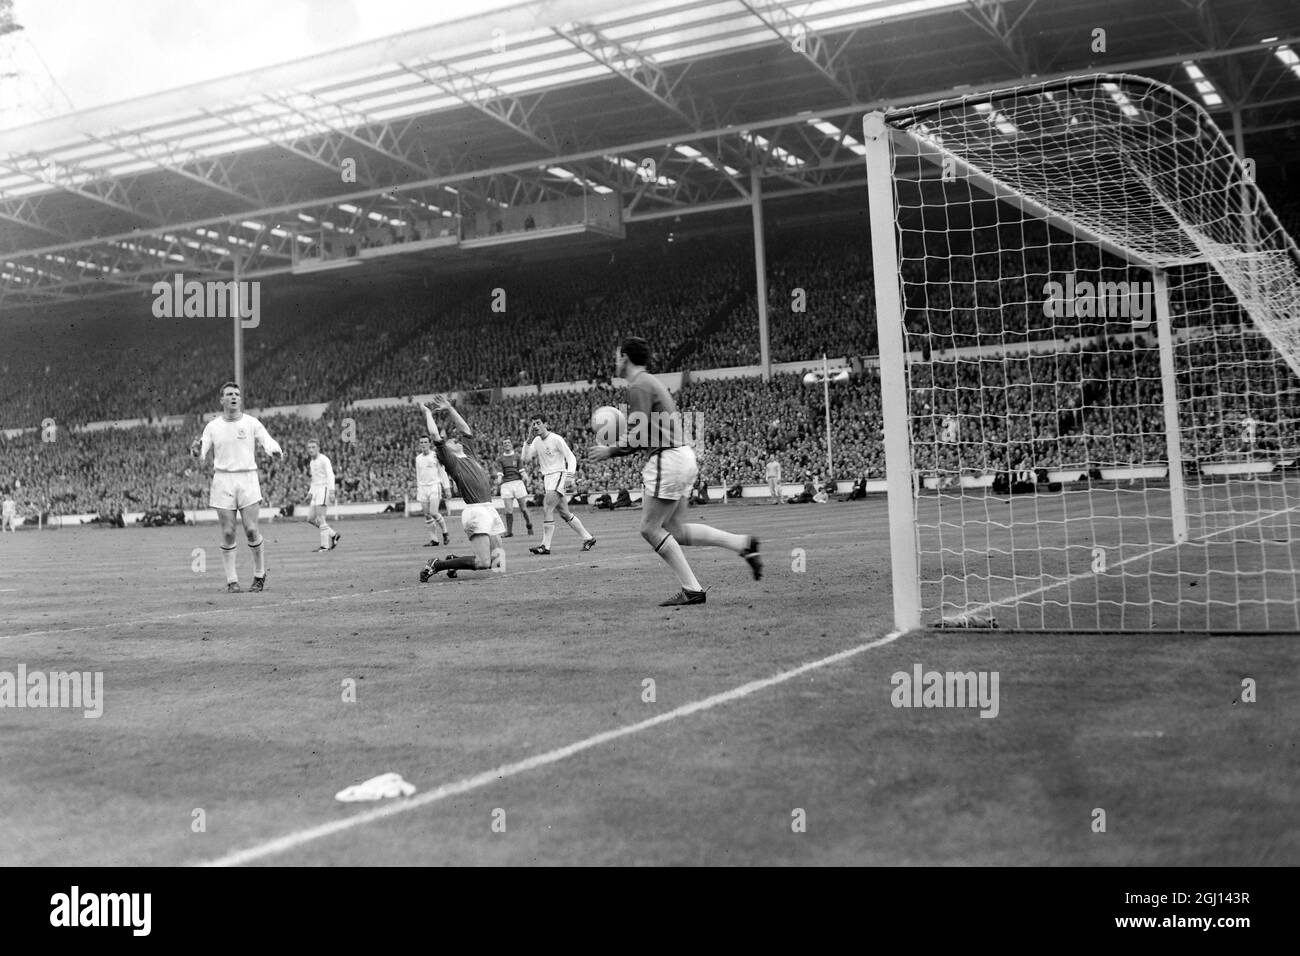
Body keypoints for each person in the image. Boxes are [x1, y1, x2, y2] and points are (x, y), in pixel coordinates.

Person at [589, 337, 761, 606]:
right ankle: (742, 544)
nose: (614, 361)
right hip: (683, 455)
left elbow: (638, 434)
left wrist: (609, 450)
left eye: (616, 356)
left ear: (624, 357)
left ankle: (692, 589)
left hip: (667, 459)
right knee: (675, 530)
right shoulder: (651, 382)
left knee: (649, 528)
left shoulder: (639, 385)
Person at [190, 381, 283, 592]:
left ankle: (259, 574)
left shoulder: (251, 423)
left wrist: (274, 451)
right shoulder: (212, 426)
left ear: (240, 399)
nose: (233, 397)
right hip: (223, 480)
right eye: (229, 394)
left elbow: (267, 440)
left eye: (236, 394)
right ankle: (232, 581)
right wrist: (196, 451)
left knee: (251, 530)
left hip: (248, 478)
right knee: (229, 532)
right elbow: (201, 452)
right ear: (222, 400)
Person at [417, 397, 506, 581]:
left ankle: (453, 561)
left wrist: (449, 408)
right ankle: (437, 564)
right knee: (483, 563)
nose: (454, 440)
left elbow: (465, 430)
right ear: (446, 450)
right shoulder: (452, 461)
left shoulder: (468, 453)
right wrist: (427, 413)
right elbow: (435, 437)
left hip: (489, 508)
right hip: (475, 511)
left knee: (498, 564)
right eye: (449, 441)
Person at [521, 415, 596, 555]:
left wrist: (570, 475)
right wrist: (528, 441)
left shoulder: (556, 439)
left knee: (547, 507)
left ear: (546, 424)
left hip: (558, 475)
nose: (535, 426)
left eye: (538, 423)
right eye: (533, 424)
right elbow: (525, 459)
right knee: (564, 513)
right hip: (548, 478)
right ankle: (588, 538)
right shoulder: (536, 441)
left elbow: (571, 457)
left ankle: (545, 546)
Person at [305, 439, 341, 553]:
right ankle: (333, 535)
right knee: (310, 519)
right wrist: (310, 493)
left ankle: (324, 546)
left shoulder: (324, 459)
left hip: (324, 489)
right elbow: (314, 480)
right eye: (309, 447)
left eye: (313, 447)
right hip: (316, 491)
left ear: (318, 448)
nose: (311, 449)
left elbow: (331, 475)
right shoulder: (312, 462)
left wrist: (331, 491)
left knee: (321, 518)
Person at [415, 435, 451, 547]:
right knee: (427, 515)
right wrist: (418, 488)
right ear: (419, 444)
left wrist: (447, 488)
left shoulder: (435, 456)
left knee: (433, 512)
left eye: (425, 442)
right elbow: (418, 475)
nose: (423, 444)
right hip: (422, 488)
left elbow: (442, 472)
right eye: (421, 442)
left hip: (434, 486)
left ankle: (445, 532)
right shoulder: (418, 458)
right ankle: (434, 540)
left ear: (429, 443)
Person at [495, 438, 534, 537]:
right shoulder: (500, 459)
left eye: (508, 442)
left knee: (523, 509)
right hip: (506, 485)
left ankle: (529, 525)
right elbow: (500, 473)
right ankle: (509, 532)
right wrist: (499, 480)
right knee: (508, 510)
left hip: (518, 483)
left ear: (511, 444)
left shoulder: (517, 457)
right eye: (505, 443)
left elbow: (522, 470)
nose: (507, 444)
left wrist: (526, 477)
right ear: (503, 446)